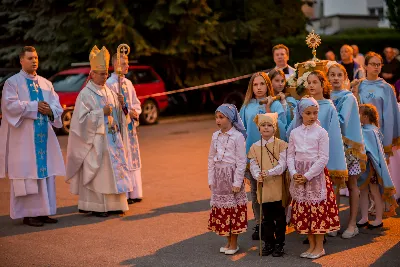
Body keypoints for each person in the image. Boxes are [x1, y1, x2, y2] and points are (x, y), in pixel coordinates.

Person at [0, 46, 65, 227]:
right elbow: (9, 106)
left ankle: (44, 212)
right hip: (24, 140)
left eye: (36, 57)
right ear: (21, 61)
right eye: (29, 58)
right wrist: (35, 106)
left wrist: (50, 110)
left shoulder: (46, 83)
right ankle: (29, 214)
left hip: (45, 139)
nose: (34, 61)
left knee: (45, 175)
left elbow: (57, 106)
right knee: (28, 175)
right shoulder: (12, 83)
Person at [65, 45, 134, 217]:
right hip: (96, 141)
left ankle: (116, 204)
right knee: (101, 173)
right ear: (92, 74)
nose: (105, 77)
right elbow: (79, 121)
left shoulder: (110, 91)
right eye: (101, 74)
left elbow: (119, 117)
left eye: (106, 73)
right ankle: (98, 206)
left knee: (113, 172)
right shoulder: (85, 94)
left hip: (112, 139)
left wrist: (121, 105)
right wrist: (99, 113)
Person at [288, 96, 340, 259]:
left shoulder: (321, 132)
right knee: (305, 212)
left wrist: (308, 175)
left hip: (315, 176)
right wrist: (293, 173)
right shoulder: (294, 133)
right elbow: (290, 156)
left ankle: (319, 247)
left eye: (315, 113)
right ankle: (311, 246)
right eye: (308, 113)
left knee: (317, 212)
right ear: (301, 114)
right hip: (299, 176)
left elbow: (323, 158)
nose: (312, 116)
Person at [239, 72, 287, 240]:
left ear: (268, 86)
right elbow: (242, 131)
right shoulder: (246, 106)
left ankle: (275, 222)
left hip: (272, 154)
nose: (259, 88)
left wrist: (268, 109)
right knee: (255, 190)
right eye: (255, 85)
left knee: (273, 190)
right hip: (254, 154)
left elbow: (283, 127)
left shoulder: (275, 105)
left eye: (262, 84)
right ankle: (260, 223)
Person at [353, 52, 400, 200]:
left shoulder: (386, 88)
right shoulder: (358, 85)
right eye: (372, 64)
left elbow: (391, 114)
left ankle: (382, 202)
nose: (376, 67)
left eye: (378, 64)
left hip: (378, 134)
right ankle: (369, 204)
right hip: (362, 134)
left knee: (380, 170)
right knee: (365, 172)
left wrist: (387, 138)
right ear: (365, 66)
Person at [328, 63, 367, 238]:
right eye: (332, 75)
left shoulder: (348, 97)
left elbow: (342, 120)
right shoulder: (326, 95)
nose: (335, 78)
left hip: (349, 148)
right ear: (327, 78)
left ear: (345, 78)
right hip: (333, 146)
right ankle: (334, 222)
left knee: (351, 185)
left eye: (339, 75)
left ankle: (352, 224)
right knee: (333, 186)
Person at [207, 104, 248, 255]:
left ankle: (234, 243)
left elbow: (241, 161)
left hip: (232, 177)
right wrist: (211, 179)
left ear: (230, 118)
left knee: (233, 210)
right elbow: (211, 158)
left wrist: (237, 182)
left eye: (221, 117)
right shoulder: (215, 136)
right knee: (223, 210)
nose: (218, 120)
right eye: (216, 117)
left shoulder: (237, 137)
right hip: (219, 177)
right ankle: (228, 241)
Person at [248, 113, 288, 257]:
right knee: (267, 218)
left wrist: (270, 172)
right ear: (259, 128)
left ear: (274, 127)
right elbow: (253, 165)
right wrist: (257, 174)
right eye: (263, 125)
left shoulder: (281, 144)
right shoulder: (254, 147)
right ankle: (269, 242)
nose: (266, 128)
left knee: (279, 217)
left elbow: (283, 164)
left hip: (277, 187)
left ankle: (280, 244)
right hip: (264, 188)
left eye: (269, 125)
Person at [106, 53, 143, 204]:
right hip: (119, 127)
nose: (127, 66)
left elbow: (136, 103)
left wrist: (134, 112)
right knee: (123, 158)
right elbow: (110, 107)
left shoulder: (128, 83)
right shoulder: (110, 84)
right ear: (115, 64)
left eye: (127, 63)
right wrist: (120, 106)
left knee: (132, 157)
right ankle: (125, 193)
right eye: (124, 63)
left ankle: (135, 192)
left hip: (130, 127)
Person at [357, 104, 398, 229]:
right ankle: (364, 217)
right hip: (364, 167)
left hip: (372, 168)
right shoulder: (365, 129)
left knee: (374, 192)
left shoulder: (371, 131)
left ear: (365, 116)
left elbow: (373, 151)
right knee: (363, 191)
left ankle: (379, 218)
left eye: (359, 113)